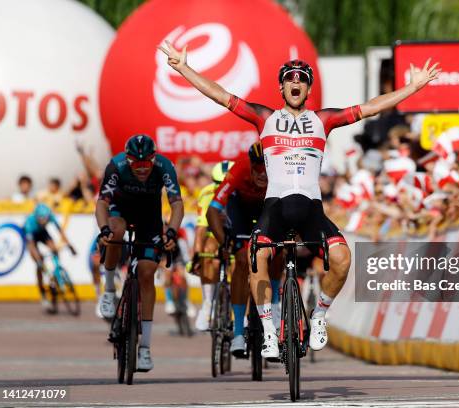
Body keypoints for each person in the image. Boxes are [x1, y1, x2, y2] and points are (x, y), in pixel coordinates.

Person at [159, 41, 440, 358]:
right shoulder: (264, 118)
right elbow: (220, 95)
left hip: (310, 209)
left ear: (308, 89)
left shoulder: (324, 120)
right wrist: (183, 68)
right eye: (290, 78)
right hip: (275, 206)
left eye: (302, 79)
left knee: (343, 259)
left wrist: (412, 88)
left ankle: (319, 315)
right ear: (281, 88)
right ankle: (267, 330)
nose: (296, 82)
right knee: (255, 256)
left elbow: (372, 107)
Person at [96, 134, 183, 372]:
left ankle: (144, 348)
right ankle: (109, 290)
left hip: (149, 216)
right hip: (119, 210)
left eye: (147, 163)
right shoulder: (116, 165)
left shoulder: (165, 166)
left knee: (146, 273)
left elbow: (177, 203)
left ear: (154, 159)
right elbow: (102, 202)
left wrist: (172, 231)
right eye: (137, 164)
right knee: (116, 232)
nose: (143, 168)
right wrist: (104, 228)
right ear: (128, 160)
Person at [206, 143, 283, 357]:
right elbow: (212, 211)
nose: (262, 173)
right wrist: (225, 243)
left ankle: (274, 307)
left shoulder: (283, 172)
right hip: (240, 207)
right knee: (241, 260)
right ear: (250, 165)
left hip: (268, 207)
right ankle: (238, 332)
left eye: (267, 167)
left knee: (279, 250)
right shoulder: (238, 169)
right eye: (257, 166)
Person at [191, 160, 234, 330]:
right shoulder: (207, 193)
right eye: (217, 183)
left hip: (237, 230)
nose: (221, 188)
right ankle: (208, 303)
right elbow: (201, 227)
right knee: (208, 251)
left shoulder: (242, 193)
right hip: (215, 233)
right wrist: (197, 253)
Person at [24, 203, 74, 312]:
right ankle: (43, 293)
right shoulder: (29, 222)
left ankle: (56, 272)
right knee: (38, 261)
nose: (45, 222)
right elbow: (32, 246)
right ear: (37, 217)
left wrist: (70, 246)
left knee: (54, 249)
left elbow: (60, 231)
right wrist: (38, 260)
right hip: (32, 236)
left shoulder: (49, 216)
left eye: (46, 220)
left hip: (42, 233)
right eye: (42, 220)